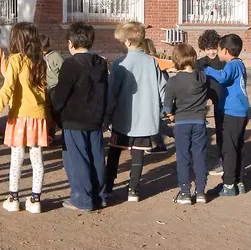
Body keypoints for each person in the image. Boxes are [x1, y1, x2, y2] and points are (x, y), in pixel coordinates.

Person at [0, 22, 50, 214]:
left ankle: (13, 198)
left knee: (17, 158)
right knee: (37, 159)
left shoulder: (15, 59)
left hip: (20, 116)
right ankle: (35, 200)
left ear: (17, 39)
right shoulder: (40, 60)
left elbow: (8, 87)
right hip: (38, 116)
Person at [104, 21, 166, 202]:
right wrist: (165, 109)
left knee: (115, 152)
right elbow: (163, 88)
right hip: (146, 118)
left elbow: (112, 93)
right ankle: (134, 190)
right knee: (138, 153)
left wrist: (108, 115)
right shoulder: (152, 62)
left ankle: (108, 186)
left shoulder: (120, 63)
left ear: (128, 41)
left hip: (122, 118)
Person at [51, 22, 109, 213]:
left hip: (74, 119)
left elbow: (61, 94)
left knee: (77, 160)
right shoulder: (100, 63)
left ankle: (82, 199)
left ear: (70, 43)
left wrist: (54, 112)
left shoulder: (70, 64)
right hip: (95, 118)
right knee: (97, 157)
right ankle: (100, 196)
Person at [203, 34, 250, 197]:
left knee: (228, 149)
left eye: (218, 50)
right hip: (241, 111)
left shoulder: (231, 65)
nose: (217, 53)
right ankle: (239, 181)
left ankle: (229, 184)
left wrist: (207, 70)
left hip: (232, 112)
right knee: (238, 147)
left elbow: (223, 77)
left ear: (225, 50)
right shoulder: (240, 64)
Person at [163, 44, 209, 205]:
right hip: (199, 121)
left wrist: (171, 116)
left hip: (181, 122)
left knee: (183, 157)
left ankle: (185, 192)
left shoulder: (174, 81)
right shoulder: (202, 77)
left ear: (176, 60)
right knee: (200, 156)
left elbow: (167, 106)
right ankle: (201, 191)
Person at [195, 29, 226, 176]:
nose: (211, 52)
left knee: (221, 129)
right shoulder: (200, 63)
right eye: (207, 49)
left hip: (222, 98)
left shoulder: (223, 61)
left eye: (213, 48)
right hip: (204, 97)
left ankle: (223, 161)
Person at [143, 38, 173, 152]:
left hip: (157, 99)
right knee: (156, 123)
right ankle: (160, 145)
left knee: (158, 124)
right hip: (159, 97)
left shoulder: (152, 61)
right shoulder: (156, 61)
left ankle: (179, 136)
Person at [41, 33, 64, 141]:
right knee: (47, 111)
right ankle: (50, 133)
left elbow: (63, 69)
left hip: (55, 87)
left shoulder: (55, 56)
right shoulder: (38, 57)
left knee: (56, 111)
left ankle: (64, 131)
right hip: (44, 87)